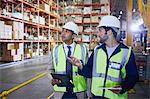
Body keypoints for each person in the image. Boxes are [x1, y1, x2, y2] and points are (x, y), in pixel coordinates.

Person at [68, 15, 139, 99]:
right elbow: (89, 72)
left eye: (100, 30)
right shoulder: (97, 51)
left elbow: (133, 77)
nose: (98, 34)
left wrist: (123, 87)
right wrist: (80, 65)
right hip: (97, 96)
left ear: (109, 32)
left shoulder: (126, 52)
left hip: (116, 97)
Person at [51, 21, 88, 99]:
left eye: (66, 31)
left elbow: (88, 70)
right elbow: (50, 69)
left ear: (73, 35)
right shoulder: (56, 50)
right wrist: (52, 80)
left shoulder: (83, 49)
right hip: (60, 90)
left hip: (79, 90)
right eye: (63, 31)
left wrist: (90, 93)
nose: (63, 34)